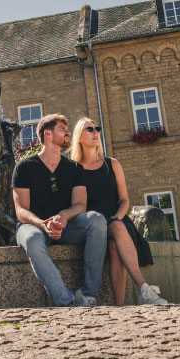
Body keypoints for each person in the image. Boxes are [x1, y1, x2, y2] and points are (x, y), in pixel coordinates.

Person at [69, 117, 168, 306]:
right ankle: (144, 289)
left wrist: (117, 218)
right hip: (92, 223)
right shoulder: (73, 169)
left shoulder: (112, 164)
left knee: (115, 246)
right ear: (79, 137)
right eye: (89, 129)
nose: (96, 132)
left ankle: (120, 305)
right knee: (115, 229)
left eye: (97, 128)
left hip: (117, 218)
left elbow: (124, 199)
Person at [12, 114, 108, 307]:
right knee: (31, 239)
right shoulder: (24, 167)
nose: (68, 133)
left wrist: (64, 216)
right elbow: (21, 210)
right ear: (48, 134)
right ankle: (67, 302)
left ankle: (88, 295)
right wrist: (42, 223)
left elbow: (80, 204)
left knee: (97, 220)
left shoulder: (74, 168)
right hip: (34, 226)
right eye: (62, 129)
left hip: (68, 226)